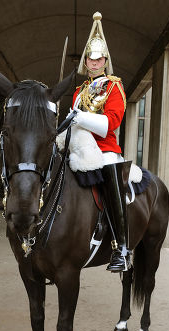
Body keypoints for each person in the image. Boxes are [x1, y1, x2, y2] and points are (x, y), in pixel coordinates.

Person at [70, 12, 131, 272]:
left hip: (105, 149)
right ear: (85, 61)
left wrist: (81, 117)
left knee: (108, 170)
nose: (94, 63)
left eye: (98, 58)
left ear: (105, 60)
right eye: (90, 59)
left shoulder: (113, 87)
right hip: (79, 147)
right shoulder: (78, 91)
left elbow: (110, 123)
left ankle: (121, 247)